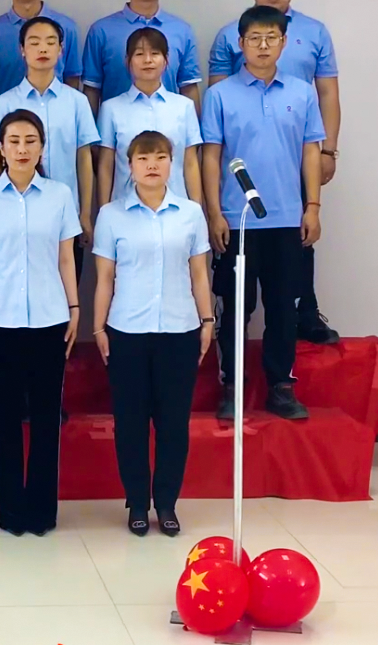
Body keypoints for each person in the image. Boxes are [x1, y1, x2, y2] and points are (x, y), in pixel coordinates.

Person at [207, 0, 341, 345]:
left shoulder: (314, 33)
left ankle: (305, 315)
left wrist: (328, 150)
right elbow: (219, 117)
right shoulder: (230, 36)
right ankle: (232, 367)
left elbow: (328, 92)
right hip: (244, 168)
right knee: (239, 287)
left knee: (298, 241)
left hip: (296, 150)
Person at [202, 6, 324, 423]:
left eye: (272, 37)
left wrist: (313, 206)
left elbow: (310, 151)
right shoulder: (220, 95)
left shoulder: (302, 93)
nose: (263, 45)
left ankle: (281, 386)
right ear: (241, 44)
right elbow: (211, 155)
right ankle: (232, 387)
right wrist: (214, 213)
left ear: (284, 42)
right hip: (237, 220)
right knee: (236, 307)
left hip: (288, 219)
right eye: (254, 38)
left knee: (283, 307)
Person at [92, 131, 214, 537]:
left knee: (173, 423)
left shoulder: (190, 213)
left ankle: (167, 502)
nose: (152, 165)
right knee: (130, 422)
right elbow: (105, 277)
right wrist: (99, 326)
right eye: (143, 158)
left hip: (179, 329)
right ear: (130, 166)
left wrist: (207, 320)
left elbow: (199, 274)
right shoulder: (112, 215)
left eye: (160, 157)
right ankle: (137, 503)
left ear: (171, 164)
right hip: (127, 330)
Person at [0, 109, 81, 536]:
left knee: (47, 419)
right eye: (13, 141)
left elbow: (66, 257)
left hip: (50, 318)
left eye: (31, 141)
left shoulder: (59, 195)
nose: (22, 149)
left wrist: (74, 308)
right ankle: (11, 512)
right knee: (5, 419)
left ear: (42, 148)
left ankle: (42, 512)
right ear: (0, 147)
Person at [0, 15, 97, 261]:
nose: (43, 49)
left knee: (67, 280)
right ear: (22, 50)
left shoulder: (77, 102)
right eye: (34, 43)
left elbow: (84, 159)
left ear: (61, 49)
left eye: (50, 42)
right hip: (15, 214)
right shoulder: (6, 102)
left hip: (66, 215)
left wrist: (85, 214)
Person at [82, 0, 201, 111]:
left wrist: (194, 127)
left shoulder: (182, 31)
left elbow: (188, 87)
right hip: (117, 125)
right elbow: (92, 89)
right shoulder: (101, 31)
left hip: (170, 125)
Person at [97, 28, 204, 208]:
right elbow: (106, 166)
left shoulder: (184, 106)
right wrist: (103, 210)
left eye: (155, 53)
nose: (148, 60)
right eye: (139, 54)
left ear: (166, 60)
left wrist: (197, 210)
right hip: (125, 208)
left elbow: (191, 163)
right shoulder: (111, 108)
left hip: (177, 207)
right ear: (128, 61)